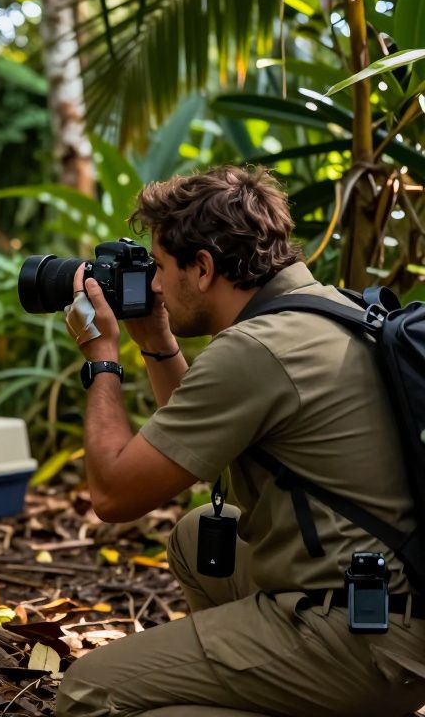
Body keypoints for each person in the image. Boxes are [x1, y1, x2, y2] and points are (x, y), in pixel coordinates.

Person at [54, 165, 425, 716]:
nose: (152, 285)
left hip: (364, 638)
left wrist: (102, 359)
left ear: (202, 267)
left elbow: (114, 495)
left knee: (88, 692)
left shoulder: (257, 349)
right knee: (197, 537)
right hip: (392, 603)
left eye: (159, 268)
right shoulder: (332, 309)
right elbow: (198, 451)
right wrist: (156, 340)